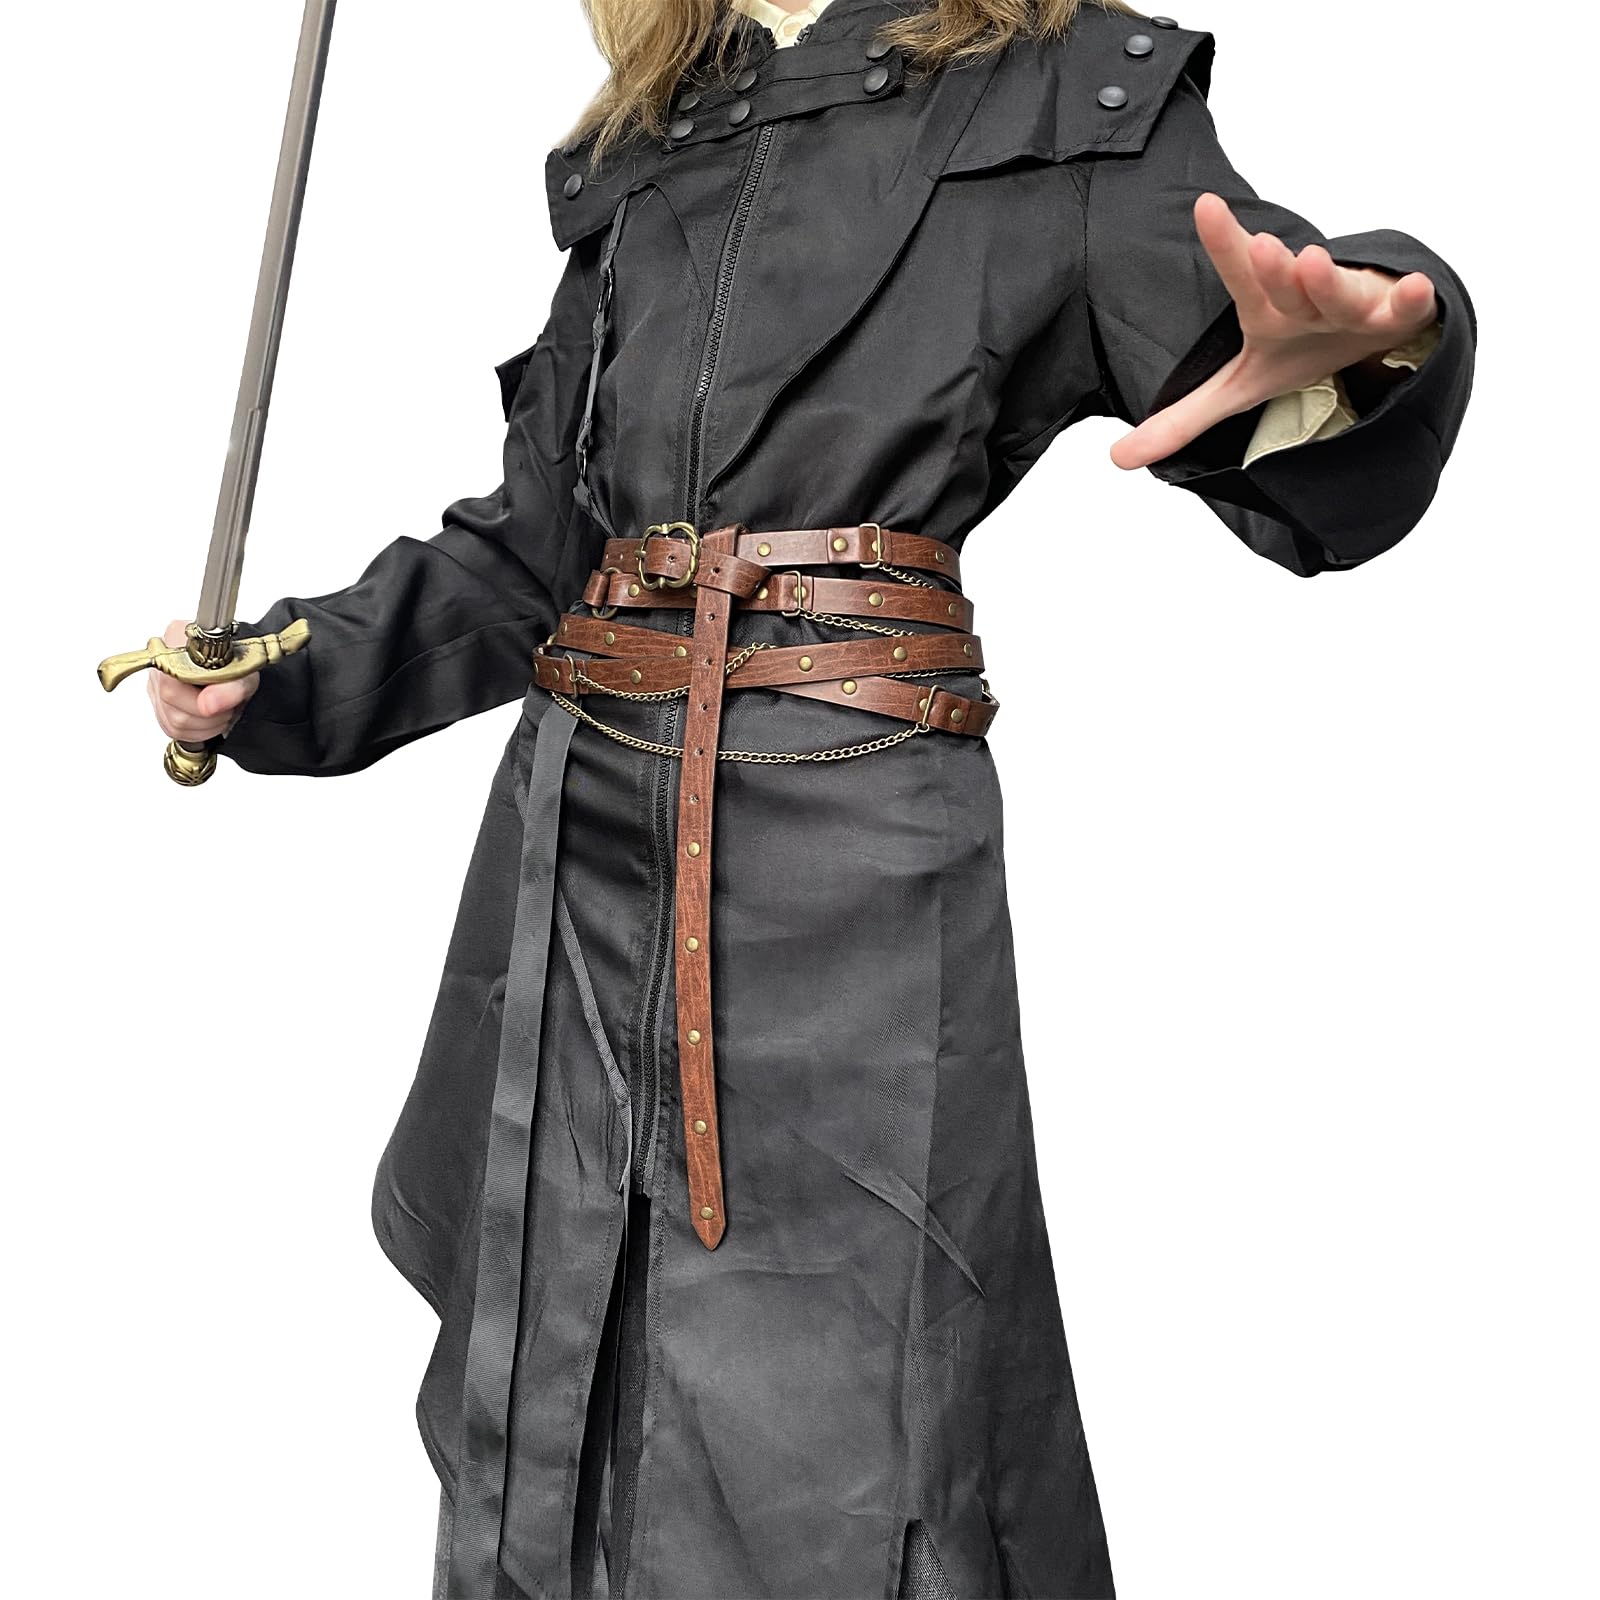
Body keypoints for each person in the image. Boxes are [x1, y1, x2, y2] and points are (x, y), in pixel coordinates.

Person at [146, 1, 1475, 1595]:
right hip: (577, 858)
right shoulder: (654, 136)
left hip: (851, 879)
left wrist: (1363, 361)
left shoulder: (1067, 92)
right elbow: (541, 550)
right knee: (558, 1388)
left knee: (862, 1436)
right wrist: (291, 671)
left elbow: (1279, 322)